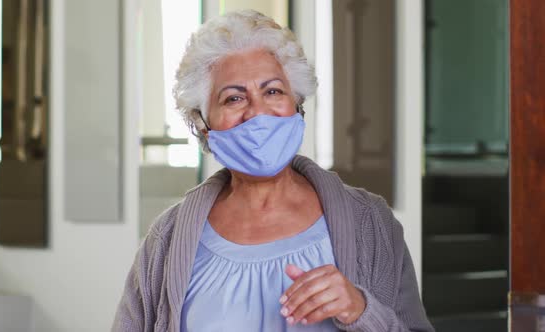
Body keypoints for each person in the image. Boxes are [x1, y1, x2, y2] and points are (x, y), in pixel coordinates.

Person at [113, 10, 434, 332]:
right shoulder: (167, 238)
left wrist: (360, 310)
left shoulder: (370, 221)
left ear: (297, 105)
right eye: (234, 98)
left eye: (272, 91)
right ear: (204, 124)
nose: (257, 113)